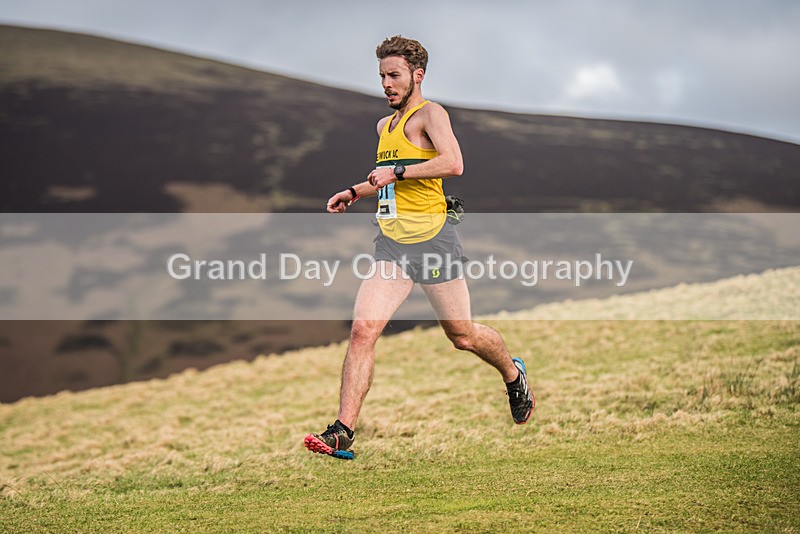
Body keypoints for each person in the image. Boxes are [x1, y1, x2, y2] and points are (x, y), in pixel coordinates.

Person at [304, 36, 533, 461]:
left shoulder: (431, 114)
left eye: (394, 75)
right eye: (382, 77)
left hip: (434, 240)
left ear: (417, 75)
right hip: (392, 243)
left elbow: (453, 163)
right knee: (362, 330)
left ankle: (511, 373)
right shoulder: (383, 127)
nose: (386, 84)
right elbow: (386, 180)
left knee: (462, 336)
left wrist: (399, 170)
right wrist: (355, 191)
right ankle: (343, 431)